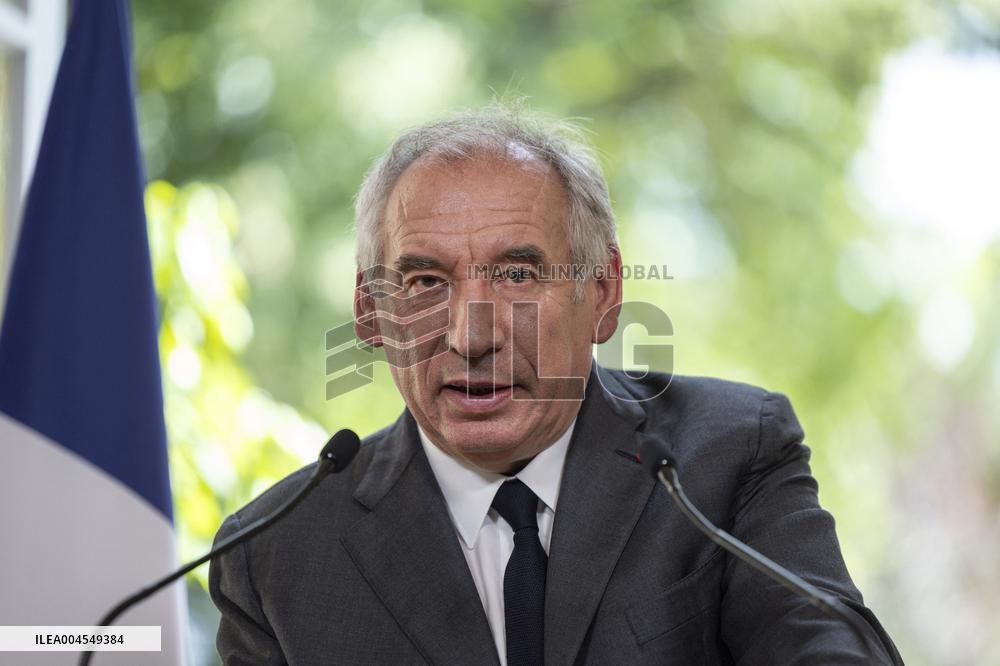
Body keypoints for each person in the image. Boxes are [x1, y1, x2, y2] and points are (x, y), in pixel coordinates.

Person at [209, 105, 902, 665]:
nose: (471, 336)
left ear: (602, 293)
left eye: (516, 275)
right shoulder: (276, 553)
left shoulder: (725, 459)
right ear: (370, 313)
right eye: (425, 282)